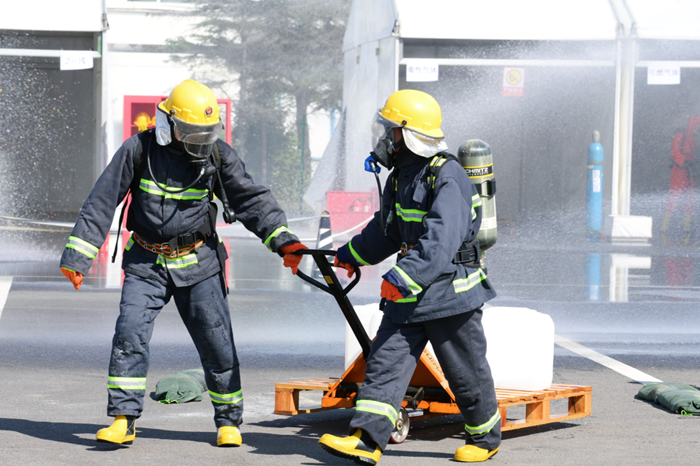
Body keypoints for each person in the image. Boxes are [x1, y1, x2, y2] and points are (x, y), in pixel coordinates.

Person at [59, 79, 307, 447]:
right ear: (170, 124)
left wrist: (284, 242)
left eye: (206, 132)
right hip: (146, 263)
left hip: (200, 261)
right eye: (192, 132)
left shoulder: (217, 154)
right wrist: (79, 255)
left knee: (217, 342)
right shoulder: (138, 150)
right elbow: (102, 199)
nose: (200, 140)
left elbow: (251, 199)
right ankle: (124, 420)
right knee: (129, 335)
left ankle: (228, 422)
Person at [318, 89, 500, 464]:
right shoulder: (401, 176)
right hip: (412, 291)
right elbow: (386, 231)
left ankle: (484, 439)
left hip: (451, 292)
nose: (382, 137)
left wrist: (401, 278)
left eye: (388, 129)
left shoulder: (448, 175)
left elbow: (441, 240)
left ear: (406, 133)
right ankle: (367, 440)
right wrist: (350, 255)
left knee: (464, 371)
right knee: (385, 362)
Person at [661, 115, 700, 243]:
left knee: (689, 200)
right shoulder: (680, 136)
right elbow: (675, 152)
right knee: (674, 197)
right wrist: (684, 162)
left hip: (691, 173)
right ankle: (664, 227)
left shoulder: (696, 139)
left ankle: (686, 229)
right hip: (679, 172)